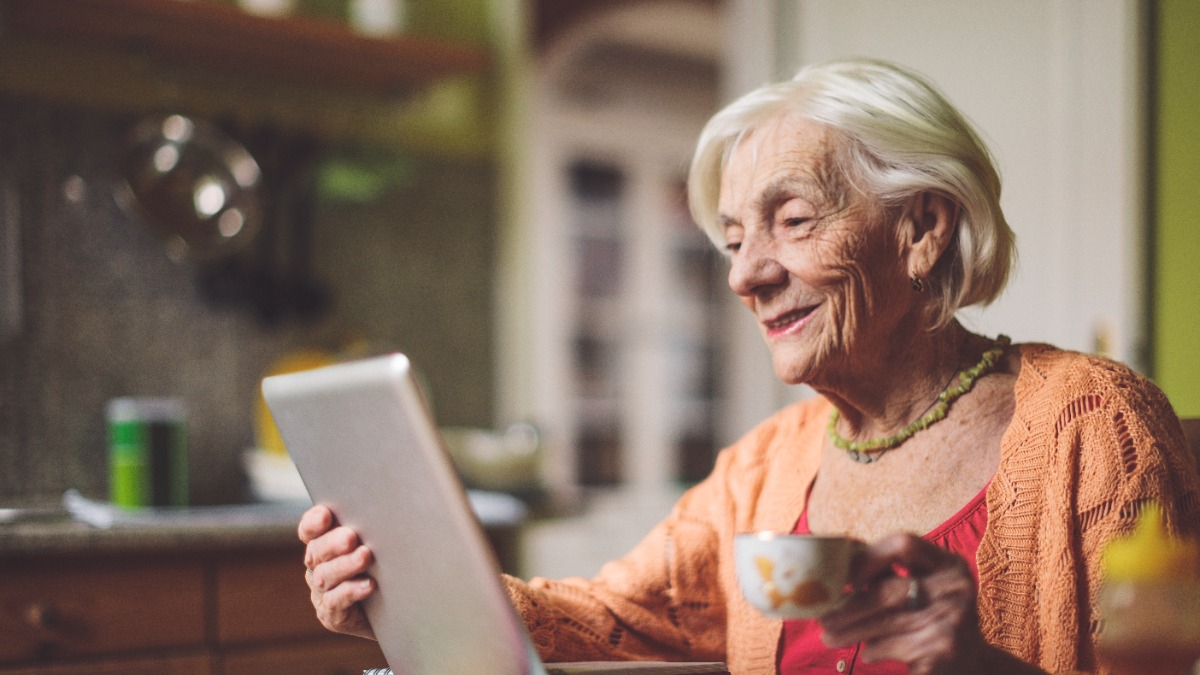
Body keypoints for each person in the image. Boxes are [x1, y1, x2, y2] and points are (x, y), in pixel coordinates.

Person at [298, 58, 1200, 674]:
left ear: (922, 228)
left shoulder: (1092, 427)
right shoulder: (763, 471)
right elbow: (607, 614)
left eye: (793, 220)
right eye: (733, 239)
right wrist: (399, 587)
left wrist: (981, 664)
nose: (746, 274)